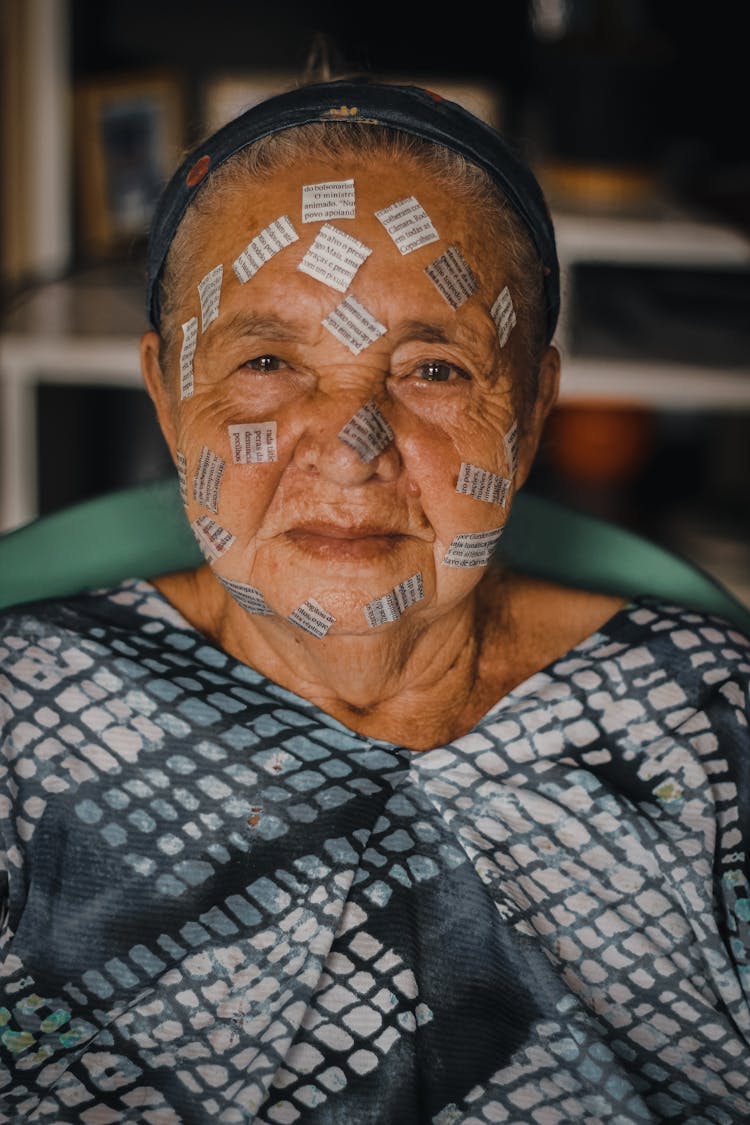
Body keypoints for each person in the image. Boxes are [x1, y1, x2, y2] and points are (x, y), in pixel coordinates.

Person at [0, 75, 749, 1125]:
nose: (352, 454)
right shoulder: (19, 712)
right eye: (266, 360)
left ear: (532, 408)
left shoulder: (712, 720)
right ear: (170, 397)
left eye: (434, 370)